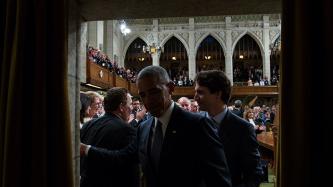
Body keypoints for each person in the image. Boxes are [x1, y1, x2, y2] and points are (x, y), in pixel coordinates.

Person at [81, 66, 232, 187]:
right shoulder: (144, 127)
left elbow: (219, 180)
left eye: (154, 92)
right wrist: (87, 149)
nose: (149, 100)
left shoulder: (197, 125)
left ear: (171, 88)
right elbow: (122, 157)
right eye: (143, 95)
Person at [194, 70, 263, 187]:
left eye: (200, 92)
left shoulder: (243, 129)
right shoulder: (193, 123)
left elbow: (254, 174)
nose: (195, 97)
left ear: (217, 94)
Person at [80, 87, 139, 187]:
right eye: (130, 104)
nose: (132, 108)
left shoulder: (88, 125)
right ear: (121, 107)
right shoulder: (127, 130)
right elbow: (127, 165)